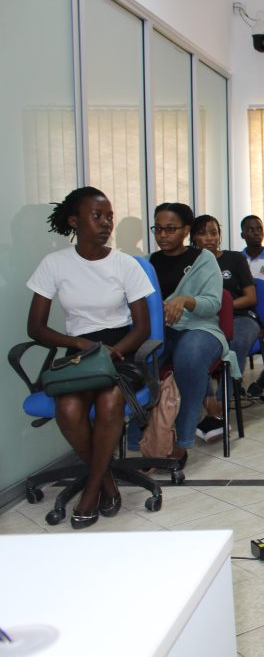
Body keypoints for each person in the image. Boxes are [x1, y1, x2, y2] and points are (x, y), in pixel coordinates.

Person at [26, 187, 153, 529]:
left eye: (109, 216)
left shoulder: (126, 265)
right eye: (97, 216)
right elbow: (35, 328)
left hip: (120, 348)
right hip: (79, 351)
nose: (106, 223)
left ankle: (91, 491)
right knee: (68, 407)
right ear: (74, 221)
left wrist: (116, 352)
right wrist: (80, 345)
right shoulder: (54, 264)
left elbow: (143, 328)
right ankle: (108, 483)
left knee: (111, 402)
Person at [149, 203, 237, 469]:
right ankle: (147, 434)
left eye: (171, 229)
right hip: (162, 329)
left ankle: (183, 439)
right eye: (158, 228)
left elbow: (213, 304)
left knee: (189, 356)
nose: (163, 235)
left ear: (186, 230)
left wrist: (186, 300)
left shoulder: (204, 259)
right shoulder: (150, 262)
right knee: (139, 359)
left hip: (201, 328)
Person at [191, 215, 258, 441]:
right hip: (203, 320)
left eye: (213, 232)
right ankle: (209, 403)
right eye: (202, 233)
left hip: (240, 316)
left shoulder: (235, 259)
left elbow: (251, 297)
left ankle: (220, 404)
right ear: (193, 237)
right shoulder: (191, 263)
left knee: (236, 342)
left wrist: (223, 308)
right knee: (192, 349)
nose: (209, 238)